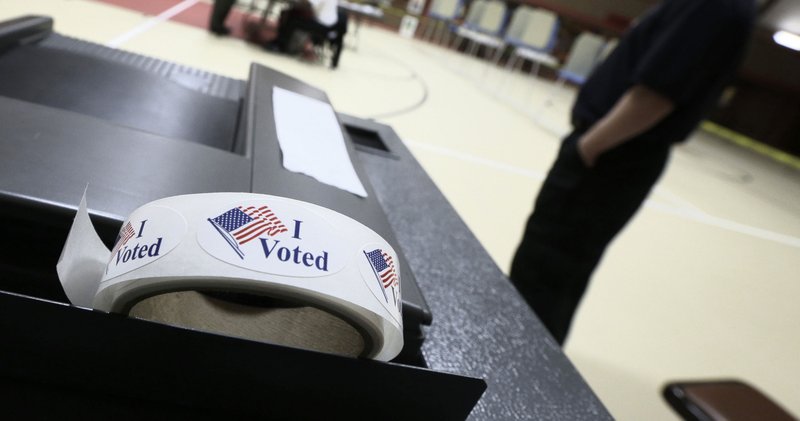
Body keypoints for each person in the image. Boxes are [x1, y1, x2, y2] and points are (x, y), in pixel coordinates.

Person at [509, 0, 757, 346]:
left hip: (611, 157)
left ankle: (519, 363)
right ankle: (527, 357)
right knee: (556, 274)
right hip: (616, 156)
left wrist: (590, 147)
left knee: (545, 273)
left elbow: (656, 94)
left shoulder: (714, 6)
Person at [272, 0, 339, 54]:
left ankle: (281, 45)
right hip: (329, 23)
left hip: (323, 25)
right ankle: (282, 44)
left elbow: (307, 4)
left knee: (293, 20)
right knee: (291, 14)